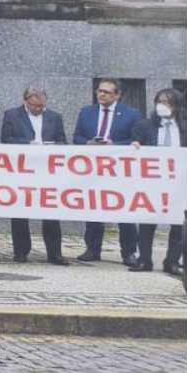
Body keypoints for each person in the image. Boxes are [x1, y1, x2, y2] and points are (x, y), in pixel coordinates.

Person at [75, 78, 141, 264]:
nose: (101, 94)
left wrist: (115, 145)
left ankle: (129, 252)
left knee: (124, 210)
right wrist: (88, 143)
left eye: (106, 92)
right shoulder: (86, 112)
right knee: (94, 207)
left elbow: (137, 140)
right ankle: (92, 249)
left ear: (117, 95)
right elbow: (77, 137)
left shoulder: (131, 114)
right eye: (99, 91)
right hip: (93, 169)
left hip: (120, 170)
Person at [0, 86, 67, 265]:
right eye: (35, 106)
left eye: (42, 106)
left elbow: (63, 142)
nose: (39, 109)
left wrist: (51, 145)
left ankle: (55, 253)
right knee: (20, 212)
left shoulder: (55, 117)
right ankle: (21, 251)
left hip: (47, 171)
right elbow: (6, 140)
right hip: (22, 170)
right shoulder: (11, 115)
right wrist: (30, 144)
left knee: (51, 212)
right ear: (25, 102)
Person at [134, 88, 186, 274]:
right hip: (152, 183)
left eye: (168, 102)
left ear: (177, 106)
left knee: (178, 224)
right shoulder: (145, 126)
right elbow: (135, 147)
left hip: (179, 184)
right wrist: (135, 146)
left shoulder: (185, 127)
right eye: (160, 102)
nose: (162, 106)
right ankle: (144, 260)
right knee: (148, 222)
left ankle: (172, 262)